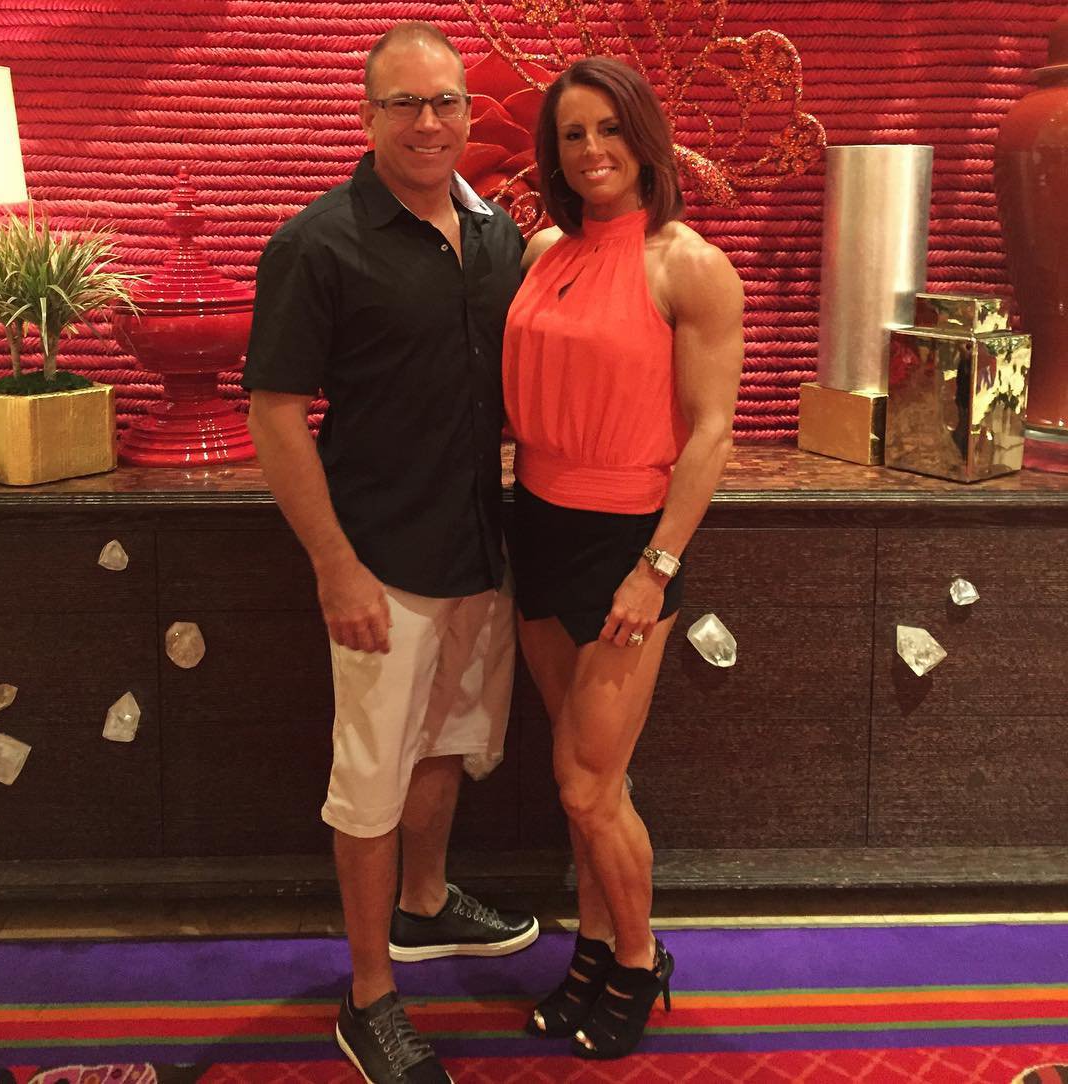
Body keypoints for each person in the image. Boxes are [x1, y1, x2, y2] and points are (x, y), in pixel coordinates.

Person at [243, 22, 538, 1084]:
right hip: (379, 560)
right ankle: (369, 996)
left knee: (447, 741)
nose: (428, 121)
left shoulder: (497, 235)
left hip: (478, 547)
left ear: (468, 111)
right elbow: (276, 414)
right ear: (368, 116)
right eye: (404, 103)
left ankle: (424, 900)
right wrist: (336, 566)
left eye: (445, 100)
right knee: (370, 780)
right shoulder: (318, 244)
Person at [502, 56, 745, 1059]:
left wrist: (655, 568)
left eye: (609, 128)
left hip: (626, 544)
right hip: (537, 523)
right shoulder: (541, 249)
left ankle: (641, 960)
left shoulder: (690, 265)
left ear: (646, 138)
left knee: (585, 784)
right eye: (573, 133)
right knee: (584, 772)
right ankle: (595, 946)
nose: (592, 148)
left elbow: (711, 433)